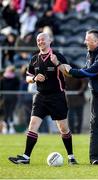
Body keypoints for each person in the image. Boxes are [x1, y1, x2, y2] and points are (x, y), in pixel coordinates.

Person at [51, 29, 98, 165]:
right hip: (97, 94)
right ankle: (96, 158)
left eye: (87, 39)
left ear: (96, 41)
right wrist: (64, 69)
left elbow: (91, 72)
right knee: (96, 124)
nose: (84, 42)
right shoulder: (90, 53)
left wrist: (70, 70)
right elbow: (86, 69)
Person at [8, 32, 77, 165]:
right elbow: (27, 77)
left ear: (50, 40)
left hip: (57, 96)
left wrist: (57, 63)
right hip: (40, 96)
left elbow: (68, 73)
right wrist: (34, 78)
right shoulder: (34, 59)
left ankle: (71, 156)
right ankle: (26, 157)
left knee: (63, 128)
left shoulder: (58, 56)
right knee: (33, 125)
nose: (40, 42)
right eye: (38, 40)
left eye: (43, 40)